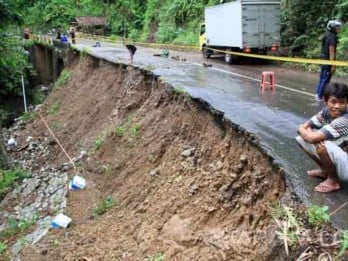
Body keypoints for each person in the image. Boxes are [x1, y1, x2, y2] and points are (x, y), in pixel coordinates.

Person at [296, 82, 348, 193]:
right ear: (325, 101)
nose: (337, 106)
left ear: (346, 102)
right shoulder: (325, 112)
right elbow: (307, 126)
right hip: (342, 157)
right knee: (302, 140)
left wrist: (304, 131)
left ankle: (333, 181)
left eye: (342, 102)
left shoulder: (345, 119)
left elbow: (306, 132)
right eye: (333, 102)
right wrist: (305, 131)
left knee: (321, 143)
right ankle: (326, 172)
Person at [314, 20, 342, 101]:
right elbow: (331, 51)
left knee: (322, 77)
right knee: (326, 79)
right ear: (332, 28)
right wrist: (333, 64)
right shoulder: (332, 37)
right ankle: (320, 95)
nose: (338, 29)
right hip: (328, 60)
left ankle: (318, 93)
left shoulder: (326, 35)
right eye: (337, 27)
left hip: (323, 59)